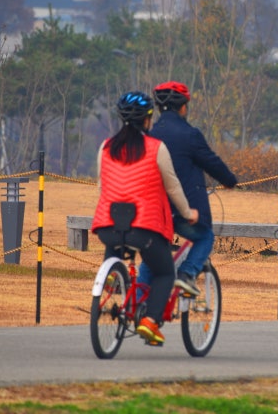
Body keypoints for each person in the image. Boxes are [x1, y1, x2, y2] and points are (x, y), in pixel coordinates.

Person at [91, 91, 198, 345]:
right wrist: (187, 213)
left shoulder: (105, 147)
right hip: (145, 228)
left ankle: (112, 278)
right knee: (164, 273)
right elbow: (172, 187)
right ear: (148, 120)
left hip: (109, 224)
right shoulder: (156, 148)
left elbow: (101, 186)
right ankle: (150, 321)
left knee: (116, 245)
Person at [139, 81, 238, 296]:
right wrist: (229, 181)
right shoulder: (190, 135)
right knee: (205, 237)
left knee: (153, 257)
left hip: (155, 212)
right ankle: (186, 274)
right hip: (184, 211)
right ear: (183, 107)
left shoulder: (150, 135)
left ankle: (137, 306)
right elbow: (212, 163)